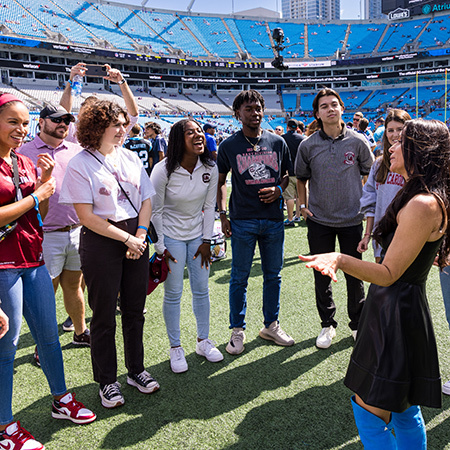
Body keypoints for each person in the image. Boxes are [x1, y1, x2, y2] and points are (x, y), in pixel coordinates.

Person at [300, 118, 450, 448]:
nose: (392, 145)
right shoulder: (421, 196)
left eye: (401, 140)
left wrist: (338, 259)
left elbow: (388, 273)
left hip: (395, 311)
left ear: (420, 150)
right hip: (398, 308)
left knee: (369, 411)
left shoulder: (423, 204)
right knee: (403, 409)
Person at [0, 93, 96, 450]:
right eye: (13, 122)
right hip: (4, 265)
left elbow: (31, 212)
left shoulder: (22, 162)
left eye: (24, 123)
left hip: (32, 258)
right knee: (7, 347)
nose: (20, 129)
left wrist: (42, 178)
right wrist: (37, 193)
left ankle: (61, 398)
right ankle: (4, 426)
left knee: (49, 336)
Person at [59, 100, 159, 409]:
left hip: (135, 237)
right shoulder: (80, 163)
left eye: (123, 123)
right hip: (102, 239)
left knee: (134, 310)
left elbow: (146, 200)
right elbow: (86, 217)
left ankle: (136, 370)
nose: (122, 128)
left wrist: (140, 236)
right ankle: (106, 381)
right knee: (103, 316)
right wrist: (129, 238)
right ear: (96, 128)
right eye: (115, 124)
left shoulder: (130, 156)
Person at [217, 89, 294, 355]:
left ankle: (271, 325)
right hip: (242, 220)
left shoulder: (277, 141)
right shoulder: (228, 145)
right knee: (239, 277)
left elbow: (286, 175)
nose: (255, 112)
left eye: (258, 107)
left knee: (274, 276)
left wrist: (279, 191)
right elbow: (220, 181)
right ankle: (237, 330)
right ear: (238, 114)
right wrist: (223, 215)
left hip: (273, 219)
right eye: (248, 109)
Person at [295, 88, 374, 349]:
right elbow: (301, 178)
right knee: (322, 275)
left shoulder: (358, 141)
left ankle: (357, 324)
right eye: (324, 106)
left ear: (342, 108)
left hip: (352, 219)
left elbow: (370, 175)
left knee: (355, 275)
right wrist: (303, 206)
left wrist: (362, 201)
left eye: (334, 104)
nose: (330, 109)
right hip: (320, 220)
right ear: (317, 114)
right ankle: (327, 325)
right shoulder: (308, 145)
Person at [150, 119, 223, 373]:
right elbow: (155, 211)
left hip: (198, 237)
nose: (198, 135)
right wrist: (160, 248)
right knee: (174, 292)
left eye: (200, 131)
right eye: (190, 132)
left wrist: (205, 240)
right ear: (178, 140)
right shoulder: (162, 170)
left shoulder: (210, 167)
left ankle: (203, 341)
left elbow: (210, 207)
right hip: (170, 237)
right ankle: (175, 347)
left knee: (201, 289)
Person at [19, 104, 90, 351]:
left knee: (74, 285)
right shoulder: (23, 152)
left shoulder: (77, 150)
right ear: (42, 121)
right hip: (44, 234)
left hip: (77, 229)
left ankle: (80, 332)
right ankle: (43, 346)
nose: (63, 123)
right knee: (45, 294)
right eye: (57, 119)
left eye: (67, 120)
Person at [357, 110, 411, 263]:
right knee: (382, 280)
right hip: (382, 236)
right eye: (391, 130)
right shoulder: (379, 165)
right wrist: (367, 235)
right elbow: (370, 201)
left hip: (409, 236)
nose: (395, 135)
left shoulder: (416, 164)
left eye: (400, 129)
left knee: (406, 285)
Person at [60, 62, 139, 144]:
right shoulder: (73, 133)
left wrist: (121, 81)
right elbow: (63, 113)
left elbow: (133, 114)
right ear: (79, 116)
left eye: (94, 113)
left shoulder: (112, 132)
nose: (90, 117)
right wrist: (71, 80)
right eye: (86, 114)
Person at [281, 118, 304, 227]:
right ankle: (298, 216)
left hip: (288, 171)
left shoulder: (282, 139)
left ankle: (289, 219)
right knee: (299, 195)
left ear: (287, 127)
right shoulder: (302, 139)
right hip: (300, 171)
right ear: (297, 128)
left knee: (289, 196)